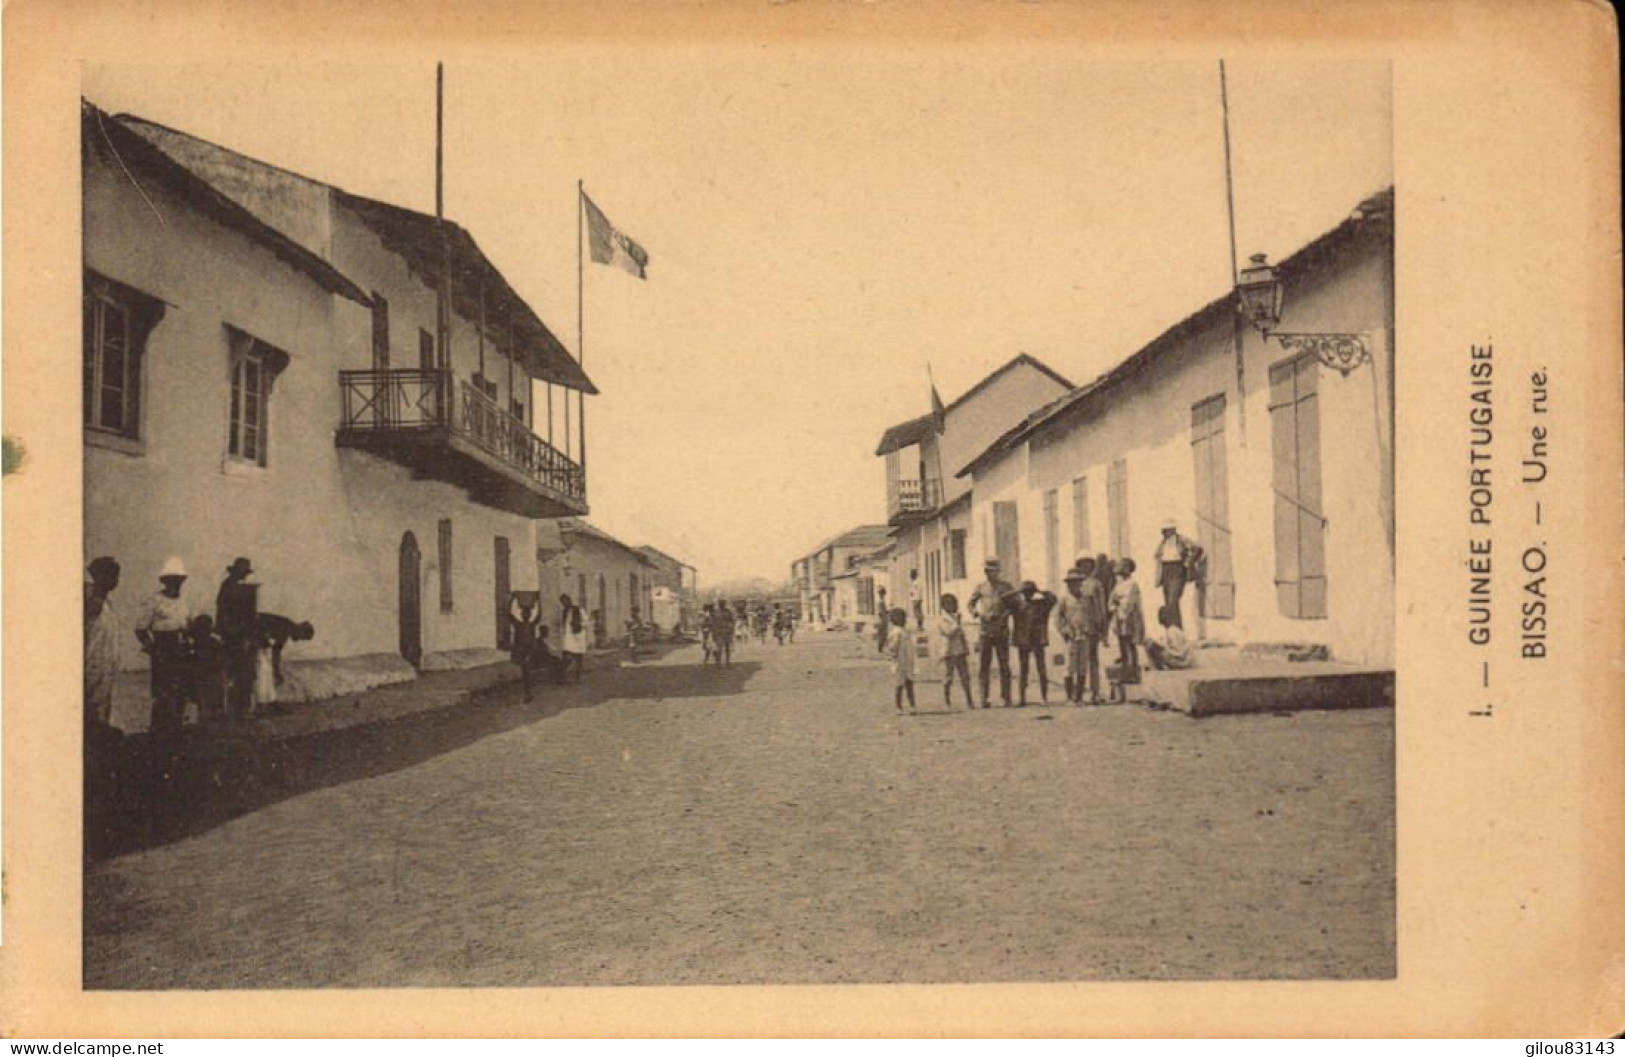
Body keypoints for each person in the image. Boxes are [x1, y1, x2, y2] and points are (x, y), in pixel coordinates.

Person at [134, 557, 194, 737]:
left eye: (179, 580)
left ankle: (177, 728)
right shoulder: (155, 601)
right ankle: (159, 730)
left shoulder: (183, 601)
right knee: (163, 691)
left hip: (181, 647)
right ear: (165, 581)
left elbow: (188, 624)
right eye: (171, 580)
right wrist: (154, 649)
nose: (175, 584)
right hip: (163, 648)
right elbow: (140, 629)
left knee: (181, 689)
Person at [215, 556, 259, 720]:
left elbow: (249, 615)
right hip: (233, 635)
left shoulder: (242, 587)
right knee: (237, 671)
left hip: (240, 634)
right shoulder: (228, 587)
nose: (244, 575)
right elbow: (222, 612)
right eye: (242, 572)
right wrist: (226, 632)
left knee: (244, 672)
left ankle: (242, 708)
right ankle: (237, 709)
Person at [968, 557, 1016, 708]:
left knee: (1004, 665)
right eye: (987, 571)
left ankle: (1006, 697)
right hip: (985, 630)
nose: (990, 574)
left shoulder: (1006, 587)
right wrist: (978, 614)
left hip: (1001, 630)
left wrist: (1004, 615)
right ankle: (984, 697)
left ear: (998, 572)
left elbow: (1014, 605)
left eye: (993, 571)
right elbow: (970, 604)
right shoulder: (981, 587)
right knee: (984, 666)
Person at [1057, 561, 1107, 704]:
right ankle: (1069, 697)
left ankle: (1078, 697)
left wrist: (1092, 628)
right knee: (1069, 667)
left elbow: (1092, 614)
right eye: (1072, 583)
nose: (1075, 586)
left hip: (1084, 635)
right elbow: (1058, 617)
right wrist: (1065, 630)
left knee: (1082, 666)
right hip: (1071, 637)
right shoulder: (1065, 598)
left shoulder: (1086, 599)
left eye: (1077, 583)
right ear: (1068, 585)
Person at [1004, 579, 1057, 706]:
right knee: (1023, 670)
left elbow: (1053, 598)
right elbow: (1003, 599)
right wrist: (1018, 591)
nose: (1028, 594)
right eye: (1026, 592)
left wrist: (1039, 590)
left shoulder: (1041, 604)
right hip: (1023, 640)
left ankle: (1044, 697)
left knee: (1041, 669)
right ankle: (1022, 698)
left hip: (1038, 640)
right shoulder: (1017, 605)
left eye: (1030, 592)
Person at [84, 556, 123, 729]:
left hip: (106, 664)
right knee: (92, 704)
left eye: (116, 576)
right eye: (110, 575)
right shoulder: (92, 602)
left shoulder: (107, 604)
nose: (114, 580)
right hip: (92, 663)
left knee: (103, 702)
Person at [1108, 557, 1146, 702]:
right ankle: (1125, 666)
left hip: (1129, 617)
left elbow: (1129, 602)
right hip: (1119, 616)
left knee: (1130, 642)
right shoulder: (1118, 585)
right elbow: (1111, 600)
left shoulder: (1132, 584)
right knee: (1121, 641)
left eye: (1123, 567)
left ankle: (1133, 669)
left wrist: (1120, 605)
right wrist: (1114, 606)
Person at [1152, 520, 1202, 630]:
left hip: (1177, 571)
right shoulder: (1163, 543)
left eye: (1167, 531)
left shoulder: (1182, 540)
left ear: (1173, 530)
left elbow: (1197, 549)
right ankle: (1172, 630)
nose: (1164, 533)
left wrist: (1188, 562)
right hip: (1165, 571)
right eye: (1163, 531)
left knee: (1172, 601)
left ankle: (1177, 630)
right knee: (1168, 601)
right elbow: (1157, 557)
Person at [936, 593, 974, 709]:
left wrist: (966, 649)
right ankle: (947, 701)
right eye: (952, 604)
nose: (955, 606)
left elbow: (961, 635)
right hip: (949, 652)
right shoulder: (942, 620)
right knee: (948, 678)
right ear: (945, 606)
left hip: (960, 651)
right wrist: (957, 623)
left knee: (965, 677)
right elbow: (949, 633)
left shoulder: (954, 618)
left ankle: (969, 701)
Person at [509, 594, 543, 700]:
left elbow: (538, 614)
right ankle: (527, 692)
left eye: (527, 613)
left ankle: (528, 692)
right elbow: (510, 613)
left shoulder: (532, 624)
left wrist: (538, 601)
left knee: (526, 670)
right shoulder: (518, 623)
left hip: (529, 650)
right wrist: (513, 599)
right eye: (524, 612)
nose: (525, 614)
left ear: (529, 614)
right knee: (525, 671)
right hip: (521, 650)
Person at [885, 607, 917, 713]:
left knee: (909, 684)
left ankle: (912, 706)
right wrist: (893, 657)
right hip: (899, 662)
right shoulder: (896, 632)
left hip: (907, 661)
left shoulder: (905, 631)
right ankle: (898, 707)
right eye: (902, 618)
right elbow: (892, 647)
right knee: (899, 685)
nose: (904, 620)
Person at [1146, 604, 1195, 671]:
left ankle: (1161, 666)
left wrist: (1163, 648)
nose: (1161, 618)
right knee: (1150, 642)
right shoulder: (1170, 630)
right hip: (1179, 658)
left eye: (1163, 616)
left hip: (1182, 661)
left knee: (1151, 645)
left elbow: (1179, 652)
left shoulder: (1173, 631)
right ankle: (1157, 665)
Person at [558, 593, 588, 682]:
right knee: (566, 656)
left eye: (565, 601)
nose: (564, 603)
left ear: (569, 600)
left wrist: (579, 624)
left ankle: (578, 676)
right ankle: (562, 677)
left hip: (578, 636)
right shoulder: (564, 611)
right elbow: (563, 625)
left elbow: (586, 622)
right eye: (562, 602)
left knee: (579, 657)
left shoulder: (578, 609)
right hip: (568, 637)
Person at [710, 600, 735, 667]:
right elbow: (712, 623)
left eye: (723, 603)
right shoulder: (715, 612)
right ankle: (718, 663)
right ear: (719, 604)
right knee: (719, 648)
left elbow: (732, 621)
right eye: (721, 603)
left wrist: (732, 630)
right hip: (719, 632)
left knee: (727, 648)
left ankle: (728, 662)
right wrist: (713, 633)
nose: (722, 604)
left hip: (727, 632)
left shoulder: (728, 611)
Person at [875, 587, 890, 654]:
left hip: (882, 619)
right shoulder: (880, 602)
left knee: (882, 634)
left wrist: (887, 612)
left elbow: (882, 611)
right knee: (882, 634)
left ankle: (880, 648)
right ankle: (880, 648)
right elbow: (881, 612)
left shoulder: (881, 601)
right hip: (882, 620)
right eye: (882, 593)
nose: (882, 595)